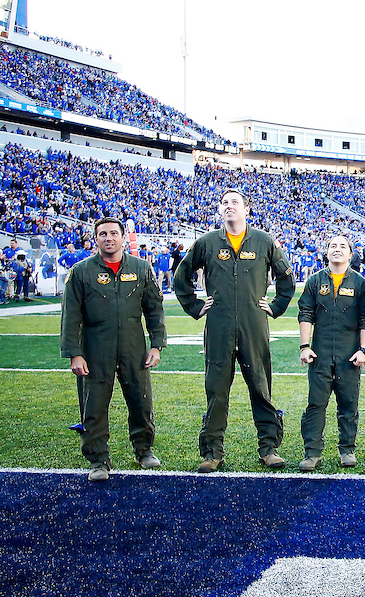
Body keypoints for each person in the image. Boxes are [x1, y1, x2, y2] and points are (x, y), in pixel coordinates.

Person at [173, 190, 296, 473]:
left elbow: (286, 277)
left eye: (235, 203)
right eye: (225, 203)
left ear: (246, 210)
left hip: (254, 325)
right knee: (216, 390)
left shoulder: (263, 241)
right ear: (221, 210)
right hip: (219, 325)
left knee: (261, 387)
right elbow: (183, 275)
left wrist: (276, 305)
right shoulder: (207, 242)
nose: (229, 207)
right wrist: (194, 305)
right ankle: (212, 452)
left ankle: (269, 448)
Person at [60, 217, 166, 481]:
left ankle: (144, 450)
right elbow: (71, 315)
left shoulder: (141, 268)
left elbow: (154, 309)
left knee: (141, 401)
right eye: (103, 234)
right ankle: (98, 459)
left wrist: (157, 345)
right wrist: (74, 352)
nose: (109, 238)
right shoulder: (81, 271)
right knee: (93, 404)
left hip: (133, 345)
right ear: (96, 239)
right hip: (95, 346)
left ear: (122, 236)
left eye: (113, 233)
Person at [296, 234, 365, 471]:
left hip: (348, 355)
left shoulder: (360, 284)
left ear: (351, 254)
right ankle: (312, 452)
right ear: (327, 252)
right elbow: (306, 313)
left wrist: (363, 350)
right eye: (333, 246)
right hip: (320, 353)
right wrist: (304, 346)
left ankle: (347, 449)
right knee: (315, 404)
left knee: (349, 404)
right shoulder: (314, 281)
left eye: (343, 246)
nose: (337, 249)